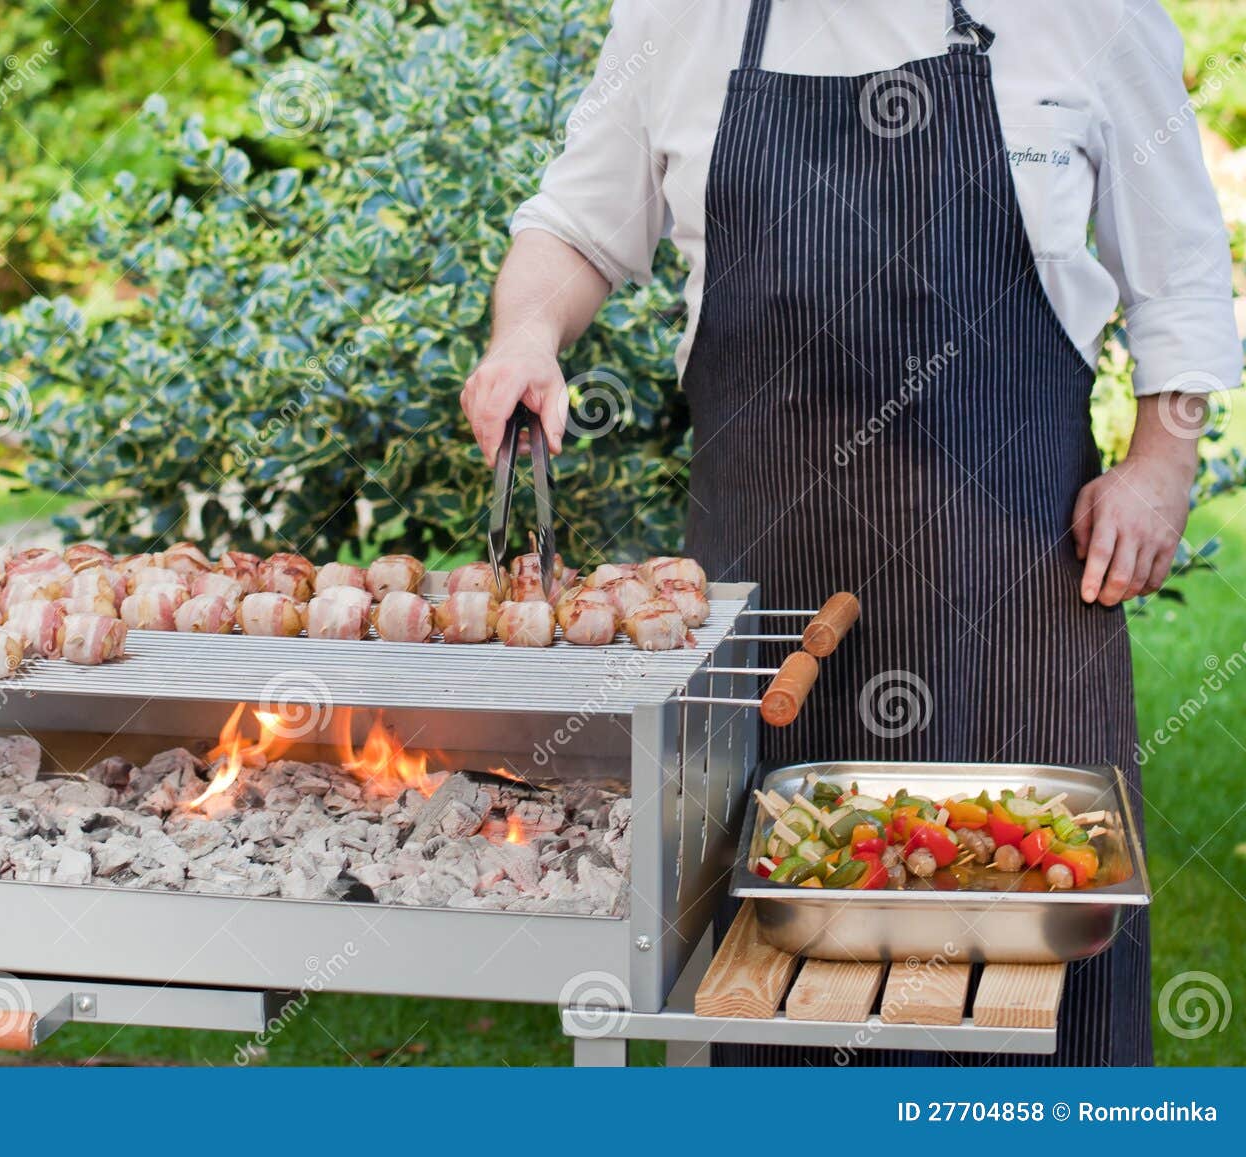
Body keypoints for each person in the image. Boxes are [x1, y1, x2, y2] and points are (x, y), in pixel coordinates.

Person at [459, 0, 1241, 1065]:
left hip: (1011, 595)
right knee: (765, 996)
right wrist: (524, 336)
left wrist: (1162, 464)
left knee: (1040, 984)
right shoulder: (680, 16)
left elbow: (1184, 268)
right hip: (769, 603)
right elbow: (577, 225)